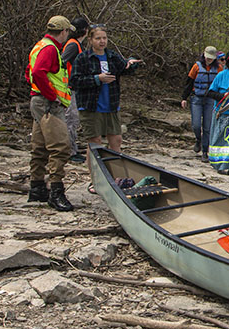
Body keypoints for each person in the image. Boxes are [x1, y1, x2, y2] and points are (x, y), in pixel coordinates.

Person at [26, 15, 76, 211]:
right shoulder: (51, 49)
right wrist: (51, 95)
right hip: (48, 104)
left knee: (39, 147)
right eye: (66, 32)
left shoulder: (39, 45)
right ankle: (56, 191)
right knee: (60, 147)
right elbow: (38, 72)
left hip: (38, 101)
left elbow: (29, 71)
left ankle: (37, 187)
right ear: (63, 32)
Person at [70, 25, 143, 154]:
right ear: (90, 40)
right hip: (90, 106)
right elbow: (75, 81)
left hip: (111, 105)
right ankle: (95, 173)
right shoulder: (83, 58)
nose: (102, 41)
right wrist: (97, 79)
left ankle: (116, 173)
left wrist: (132, 62)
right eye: (98, 38)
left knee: (116, 139)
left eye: (104, 38)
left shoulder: (112, 56)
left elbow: (125, 68)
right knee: (95, 142)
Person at [180, 45, 222, 161]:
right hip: (197, 99)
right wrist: (184, 98)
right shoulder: (196, 67)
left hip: (210, 100)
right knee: (196, 125)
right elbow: (189, 83)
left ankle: (204, 151)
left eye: (211, 58)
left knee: (208, 127)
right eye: (208, 57)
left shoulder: (219, 69)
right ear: (204, 55)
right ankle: (198, 139)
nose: (209, 59)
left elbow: (221, 85)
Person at [61, 16, 90, 163]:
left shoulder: (76, 45)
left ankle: (72, 149)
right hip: (69, 88)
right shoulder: (73, 45)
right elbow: (62, 62)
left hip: (74, 88)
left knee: (73, 119)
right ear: (84, 30)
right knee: (70, 120)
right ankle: (70, 152)